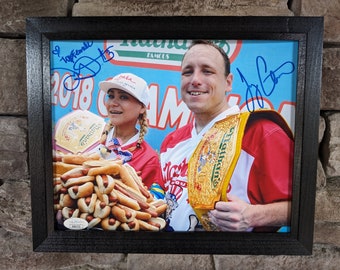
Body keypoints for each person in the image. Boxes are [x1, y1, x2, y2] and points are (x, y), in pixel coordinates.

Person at [160, 40, 294, 232]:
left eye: (207, 71)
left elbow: (305, 206)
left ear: (228, 82)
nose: (195, 80)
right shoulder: (171, 142)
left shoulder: (262, 133)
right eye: (187, 72)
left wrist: (252, 216)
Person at [98, 73, 164, 195]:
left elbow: (145, 205)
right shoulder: (92, 135)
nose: (113, 103)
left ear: (142, 107)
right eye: (111, 96)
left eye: (123, 97)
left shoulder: (149, 159)